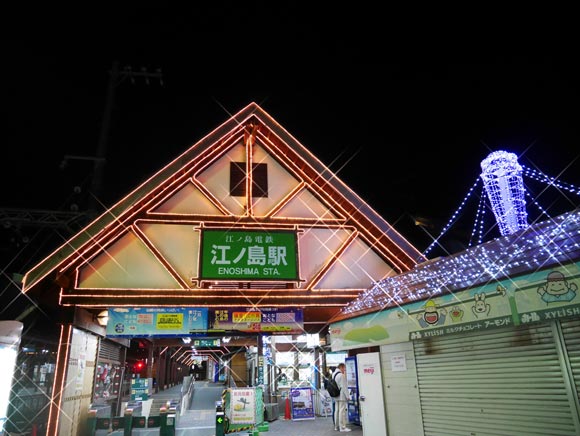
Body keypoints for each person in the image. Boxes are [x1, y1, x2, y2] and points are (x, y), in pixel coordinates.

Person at [333, 363, 351, 432]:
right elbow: (344, 387)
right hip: (341, 396)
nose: (344, 370)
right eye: (344, 368)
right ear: (341, 367)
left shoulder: (333, 374)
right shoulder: (341, 375)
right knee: (342, 411)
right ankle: (342, 427)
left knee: (336, 411)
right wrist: (348, 396)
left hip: (335, 395)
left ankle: (336, 426)